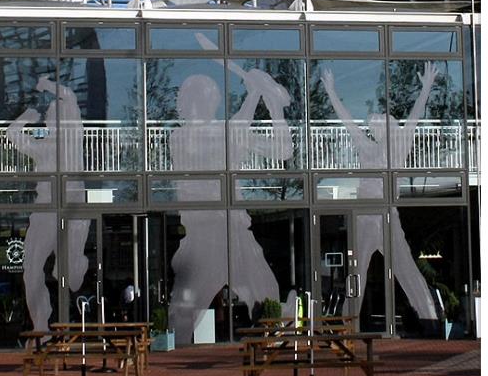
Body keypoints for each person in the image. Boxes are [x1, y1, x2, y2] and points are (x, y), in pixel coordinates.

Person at [167, 59, 296, 345]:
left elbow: (284, 150)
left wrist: (273, 105)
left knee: (267, 295)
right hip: (202, 238)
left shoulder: (227, 131)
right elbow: (228, 134)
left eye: (188, 99)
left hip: (235, 235)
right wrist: (255, 94)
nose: (183, 105)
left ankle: (277, 346)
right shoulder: (182, 136)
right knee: (182, 316)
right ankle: (169, 356)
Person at [320, 61, 440, 323]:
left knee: (406, 268)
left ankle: (430, 317)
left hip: (386, 215)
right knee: (357, 271)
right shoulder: (366, 146)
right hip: (364, 215)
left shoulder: (399, 147)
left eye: (377, 120)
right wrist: (330, 91)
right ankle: (346, 325)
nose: (372, 123)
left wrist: (426, 88)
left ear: (388, 127)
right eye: (372, 121)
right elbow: (348, 121)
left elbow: (415, 117)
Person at [6, 76, 90, 332]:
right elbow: (13, 134)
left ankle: (74, 263)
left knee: (70, 278)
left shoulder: (73, 135)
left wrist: (45, 84)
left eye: (54, 118)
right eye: (48, 120)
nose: (48, 123)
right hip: (45, 209)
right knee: (30, 267)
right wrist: (26, 117)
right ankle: (41, 323)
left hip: (72, 205)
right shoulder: (42, 148)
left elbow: (69, 96)